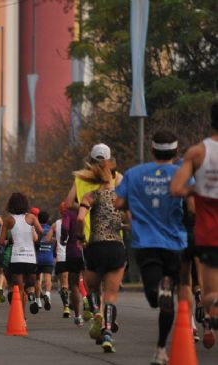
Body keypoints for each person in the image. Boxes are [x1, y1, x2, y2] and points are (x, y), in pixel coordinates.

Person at [116, 130, 190, 363]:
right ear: (176, 151)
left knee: (153, 297)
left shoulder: (134, 174)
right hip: (176, 243)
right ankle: (160, 349)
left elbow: (117, 202)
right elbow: (194, 203)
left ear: (152, 149)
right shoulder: (183, 173)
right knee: (168, 300)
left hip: (146, 242)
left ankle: (160, 290)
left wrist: (134, 203)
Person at [171, 100, 218, 350]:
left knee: (209, 292)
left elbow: (177, 189)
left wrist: (196, 188)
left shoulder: (197, 152)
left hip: (209, 231)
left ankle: (211, 315)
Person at [77, 158, 126, 353]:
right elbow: (130, 219)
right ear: (114, 178)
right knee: (111, 295)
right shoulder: (121, 199)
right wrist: (123, 226)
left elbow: (80, 218)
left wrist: (81, 236)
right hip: (116, 248)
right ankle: (107, 333)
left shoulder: (90, 196)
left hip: (95, 248)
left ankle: (96, 311)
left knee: (93, 289)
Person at [0, 193, 39, 319]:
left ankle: (21, 315)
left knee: (14, 287)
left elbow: (1, 241)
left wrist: (9, 241)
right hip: (29, 257)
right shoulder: (29, 220)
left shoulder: (9, 221)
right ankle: (31, 294)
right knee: (28, 285)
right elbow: (36, 238)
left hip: (11, 258)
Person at [44, 202, 70, 318]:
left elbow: (47, 239)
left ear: (60, 211)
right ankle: (85, 301)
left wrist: (56, 239)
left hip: (62, 257)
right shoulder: (75, 221)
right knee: (76, 282)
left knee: (64, 284)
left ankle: (66, 307)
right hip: (75, 255)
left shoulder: (55, 224)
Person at [34, 211, 54, 313]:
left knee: (37, 279)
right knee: (48, 277)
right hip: (48, 256)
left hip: (37, 257)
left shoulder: (36, 229)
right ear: (48, 219)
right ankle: (47, 294)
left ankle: (38, 301)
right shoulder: (51, 229)